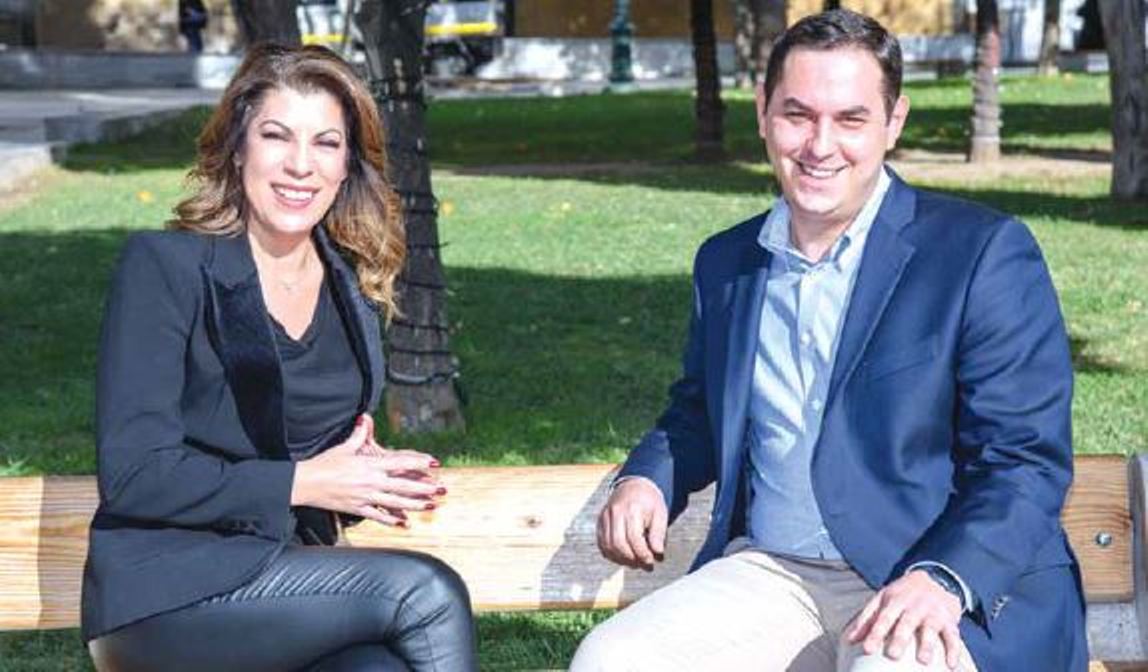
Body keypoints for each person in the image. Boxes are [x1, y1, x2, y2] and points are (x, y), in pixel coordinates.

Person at [572, 9, 1086, 672]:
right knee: (612, 659)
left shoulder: (981, 254)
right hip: (775, 574)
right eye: (798, 114)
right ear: (763, 112)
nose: (820, 145)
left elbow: (1024, 461)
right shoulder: (727, 263)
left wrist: (943, 578)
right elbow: (701, 407)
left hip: (938, 577)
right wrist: (648, 477)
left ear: (893, 122)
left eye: (850, 119)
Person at [81, 44, 477, 672]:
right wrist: (306, 480)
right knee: (427, 593)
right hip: (167, 590)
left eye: (326, 143)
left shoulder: (351, 285)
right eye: (276, 135)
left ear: (346, 165)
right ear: (238, 148)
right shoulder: (166, 266)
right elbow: (135, 473)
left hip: (289, 575)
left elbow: (293, 447)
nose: (300, 164)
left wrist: (359, 475)